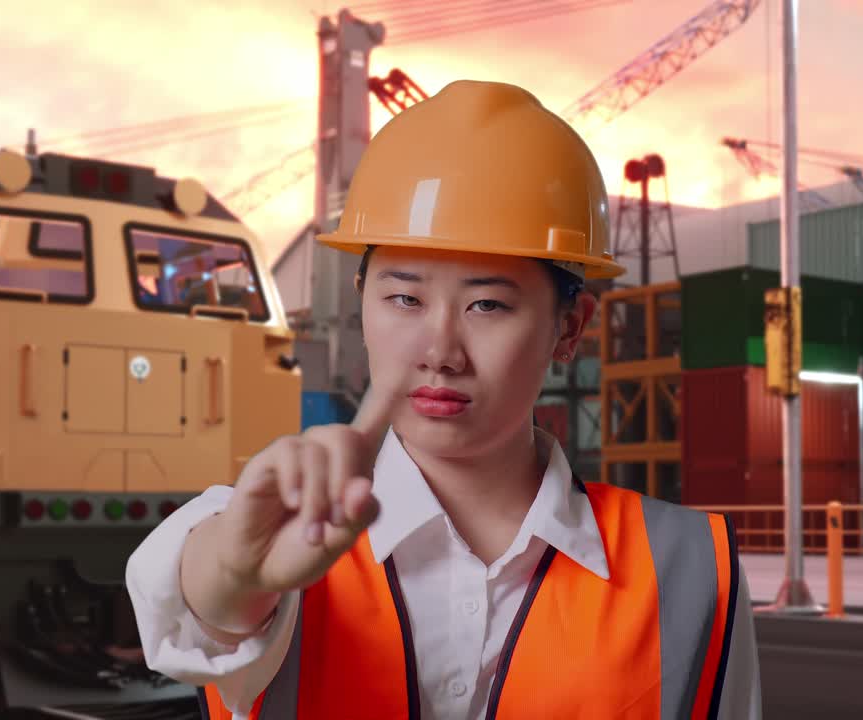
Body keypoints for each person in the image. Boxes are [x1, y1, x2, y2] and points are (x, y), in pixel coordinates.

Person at [126, 79, 762, 719]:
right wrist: (237, 574)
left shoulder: (687, 568)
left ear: (570, 327)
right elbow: (194, 604)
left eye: (487, 305)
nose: (440, 351)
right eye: (405, 298)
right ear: (362, 304)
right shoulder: (271, 533)